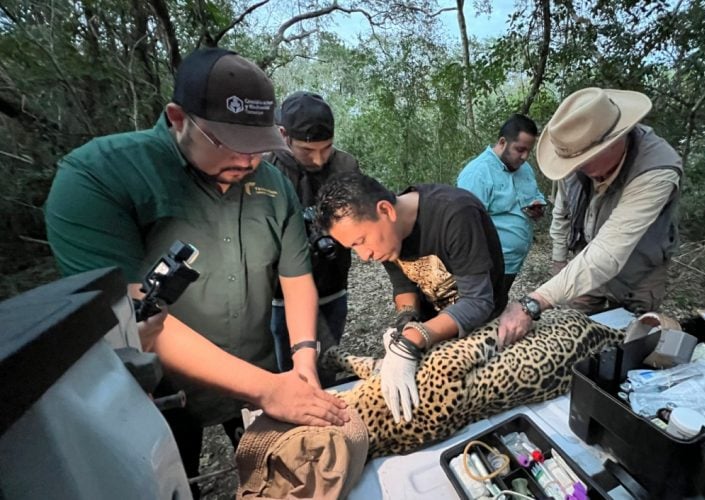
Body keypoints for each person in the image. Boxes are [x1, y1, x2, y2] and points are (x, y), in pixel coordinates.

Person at [44, 47, 348, 494]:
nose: (247, 163)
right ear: (178, 118)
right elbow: (131, 317)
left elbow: (295, 273)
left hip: (260, 367)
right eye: (230, 145)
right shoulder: (99, 177)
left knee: (286, 478)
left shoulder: (272, 184)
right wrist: (267, 389)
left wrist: (302, 359)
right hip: (157, 397)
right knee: (172, 484)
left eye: (259, 149)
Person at [315, 173, 507, 423]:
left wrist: (411, 340)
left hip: (485, 330)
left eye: (361, 241)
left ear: (385, 210)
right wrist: (405, 321)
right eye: (353, 248)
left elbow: (478, 301)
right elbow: (404, 286)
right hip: (436, 328)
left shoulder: (456, 213)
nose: (364, 255)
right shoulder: (388, 236)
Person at [498, 87, 683, 347]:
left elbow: (608, 253)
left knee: (631, 341)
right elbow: (561, 214)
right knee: (576, 333)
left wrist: (533, 302)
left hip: (639, 271)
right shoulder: (572, 150)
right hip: (586, 257)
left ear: (614, 141)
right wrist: (559, 260)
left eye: (584, 162)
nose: (576, 170)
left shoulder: (656, 169)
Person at [267, 91, 360, 375]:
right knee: (290, 371)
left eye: (326, 148)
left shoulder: (346, 166)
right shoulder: (265, 170)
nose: (319, 160)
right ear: (284, 135)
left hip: (332, 285)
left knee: (327, 366)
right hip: (282, 296)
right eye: (307, 151)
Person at [457, 113, 546, 301]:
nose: (525, 157)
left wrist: (537, 206)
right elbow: (467, 228)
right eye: (520, 149)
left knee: (496, 307)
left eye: (529, 151)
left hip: (513, 263)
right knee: (479, 312)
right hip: (487, 267)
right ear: (502, 142)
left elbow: (534, 194)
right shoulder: (477, 174)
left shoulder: (525, 169)